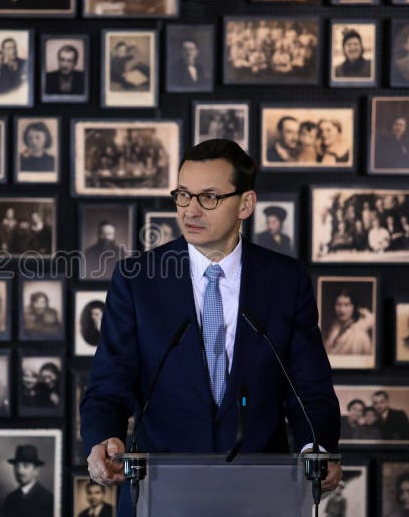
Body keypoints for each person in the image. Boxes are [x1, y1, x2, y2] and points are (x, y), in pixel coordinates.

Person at [81, 139, 341, 511]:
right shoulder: (138, 279)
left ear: (245, 204)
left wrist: (316, 448)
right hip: (161, 494)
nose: (191, 210)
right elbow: (108, 385)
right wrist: (104, 438)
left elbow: (309, 388)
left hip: (260, 495)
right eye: (183, 195)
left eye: (209, 198)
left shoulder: (285, 281)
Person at [0, 445, 54, 517]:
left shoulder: (48, 499)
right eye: (17, 466)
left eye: (26, 466)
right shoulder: (10, 499)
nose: (20, 471)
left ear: (36, 470)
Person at [324, 289, 374, 356]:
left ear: (353, 307)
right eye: (338, 304)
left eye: (346, 305)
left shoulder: (359, 335)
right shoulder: (334, 330)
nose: (342, 310)